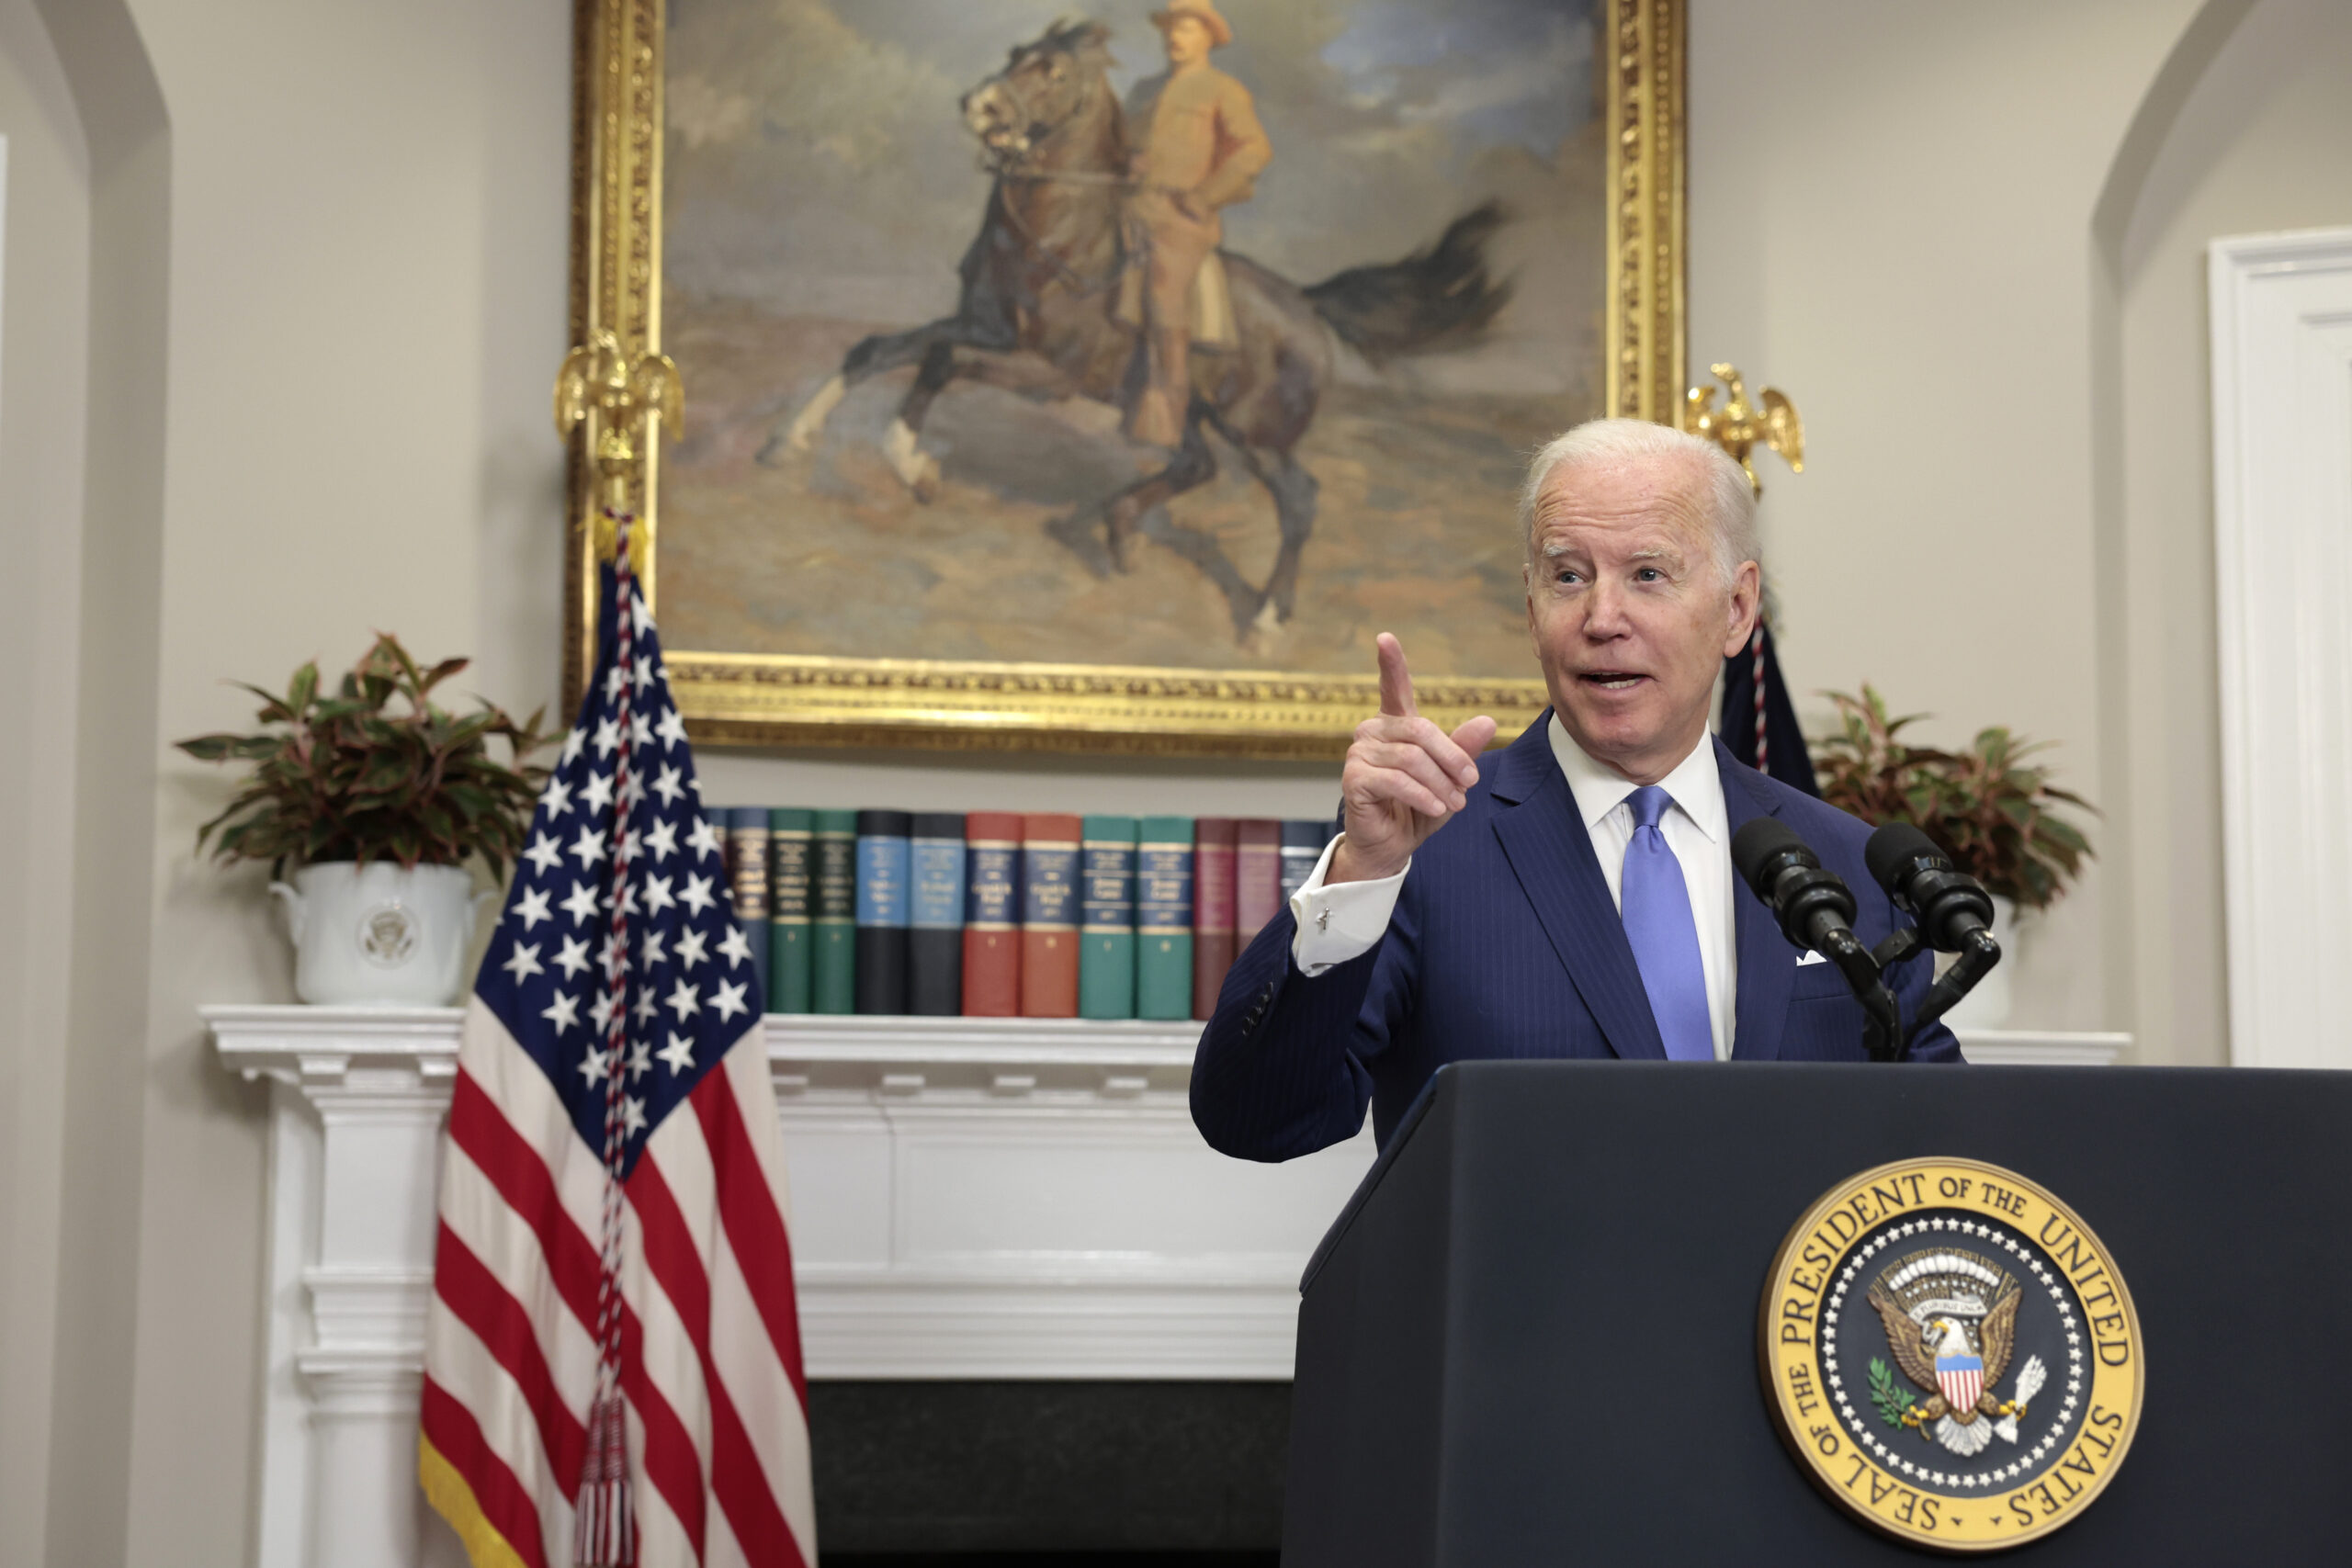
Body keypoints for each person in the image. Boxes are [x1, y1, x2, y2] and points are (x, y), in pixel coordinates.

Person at [1192, 419, 1962, 1162]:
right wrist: (1361, 876)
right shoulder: (1427, 842)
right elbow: (1259, 1118)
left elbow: (1945, 1155)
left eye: (1648, 575)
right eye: (1569, 576)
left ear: (1737, 608)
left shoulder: (1850, 864)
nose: (1602, 617)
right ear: (1532, 612)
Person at [1120, 0, 1271, 448]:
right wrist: (1128, 161)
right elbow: (1122, 145)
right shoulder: (1143, 90)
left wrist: (1204, 196)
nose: (1174, 38)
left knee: (1165, 293)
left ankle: (1167, 408)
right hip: (1130, 208)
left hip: (1181, 220)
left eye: (1186, 29)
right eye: (1170, 28)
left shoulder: (1223, 89)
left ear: (1208, 37)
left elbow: (1254, 150)